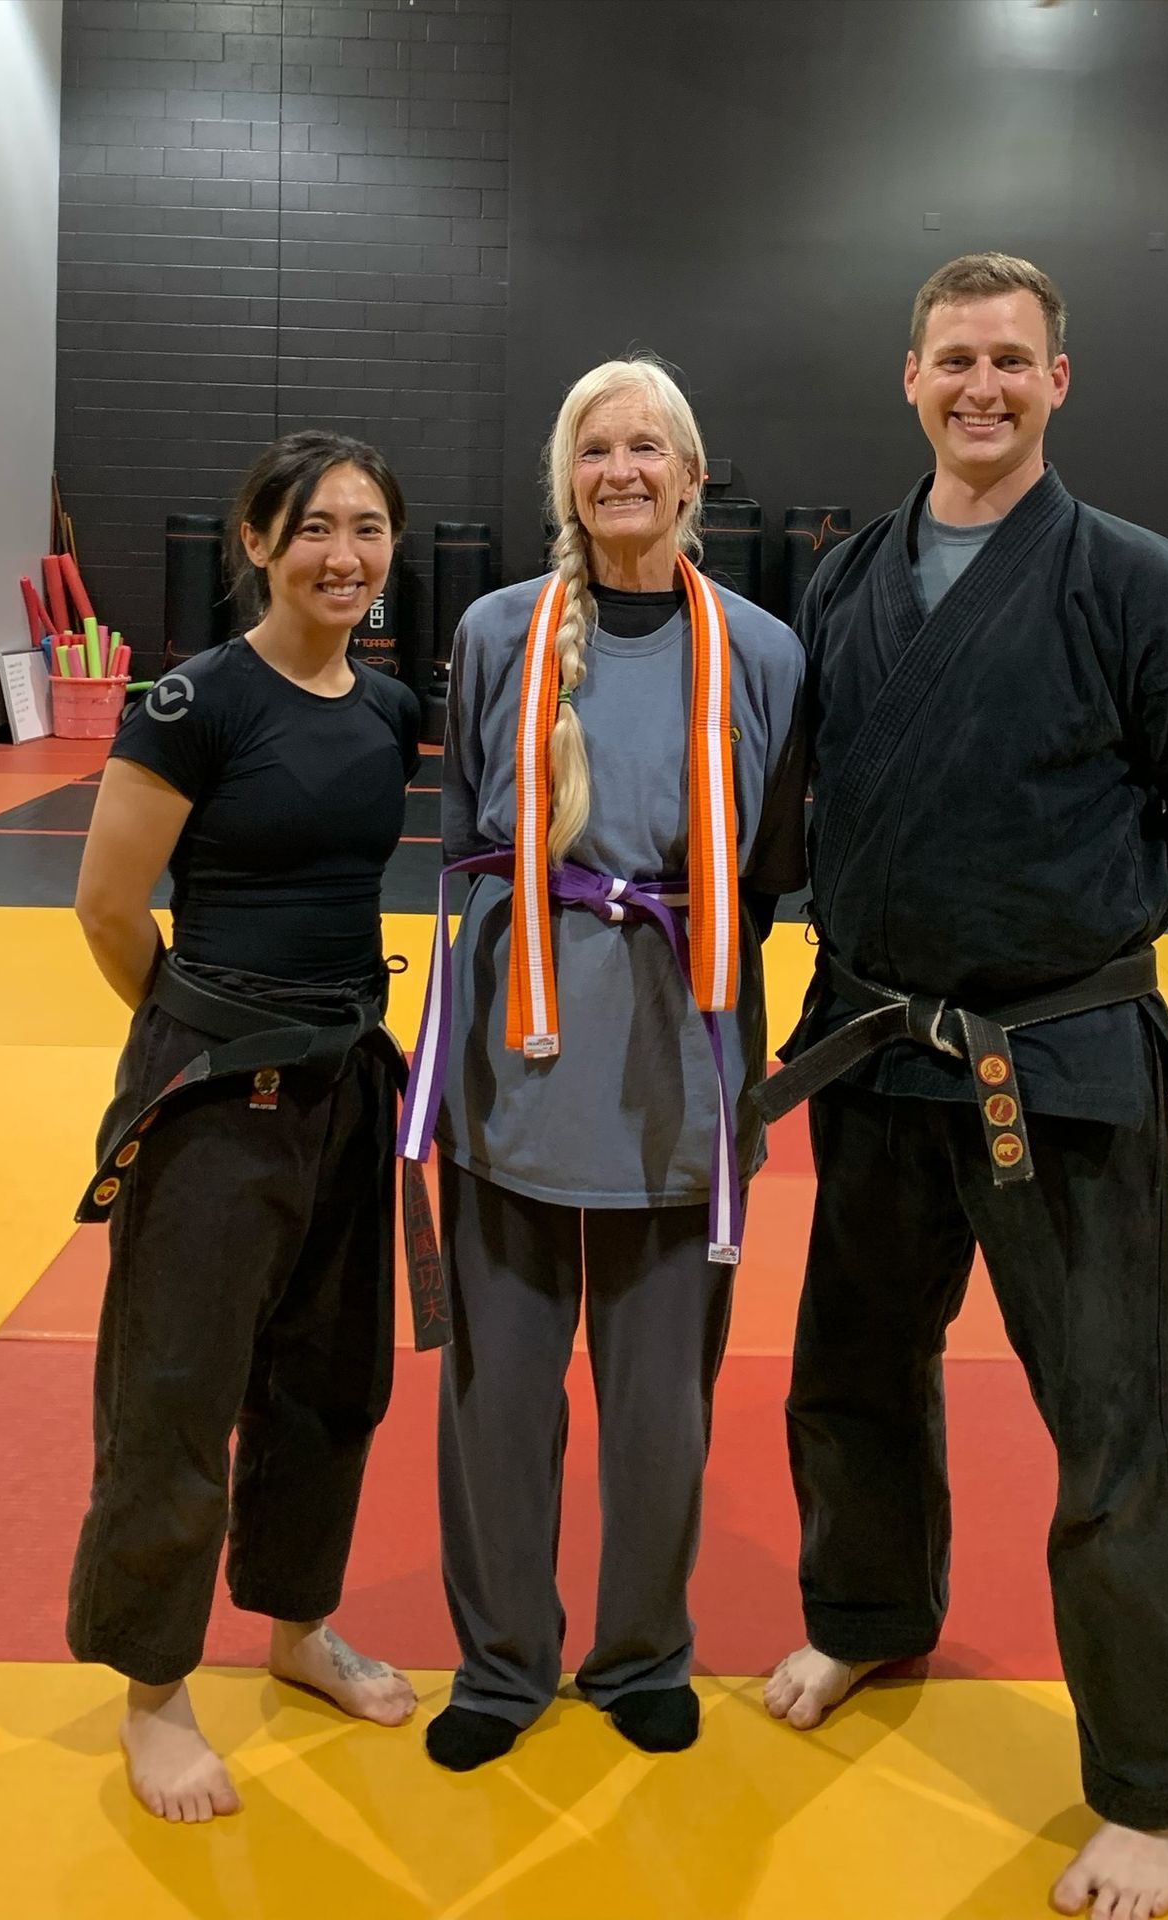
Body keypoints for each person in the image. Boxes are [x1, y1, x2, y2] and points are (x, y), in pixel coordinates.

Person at [757, 253, 1168, 1917]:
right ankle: (868, 1618)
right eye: (952, 360)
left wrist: (1071, 933)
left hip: (1061, 1068)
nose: (979, 386)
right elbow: (800, 808)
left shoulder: (1140, 585)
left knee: (1113, 1425)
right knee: (851, 1369)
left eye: (1011, 361)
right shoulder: (848, 582)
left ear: (1062, 381)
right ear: (904, 377)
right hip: (875, 1055)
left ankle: (1151, 1787)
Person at [398, 356, 806, 1770]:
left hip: (677, 1057)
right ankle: (503, 1665)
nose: (622, 471)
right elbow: (465, 837)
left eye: (648, 448)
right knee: (499, 1394)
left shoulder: (760, 649)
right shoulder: (499, 632)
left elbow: (770, 866)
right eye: (595, 450)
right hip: (521, 1049)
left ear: (695, 476)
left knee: (659, 1402)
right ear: (567, 480)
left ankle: (643, 1653)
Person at [66, 430, 424, 1824]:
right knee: (175, 1393)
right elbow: (107, 908)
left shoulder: (388, 710)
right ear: (259, 545)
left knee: (328, 1382)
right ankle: (153, 1694)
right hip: (217, 1096)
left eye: (369, 529)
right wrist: (203, 1033)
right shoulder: (190, 702)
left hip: (347, 1087)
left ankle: (296, 1626)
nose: (345, 555)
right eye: (315, 528)